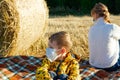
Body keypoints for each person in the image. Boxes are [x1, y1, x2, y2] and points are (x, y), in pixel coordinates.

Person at [88, 2, 120, 72]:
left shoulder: (91, 29)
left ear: (95, 14)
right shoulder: (112, 27)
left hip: (94, 65)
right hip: (111, 66)